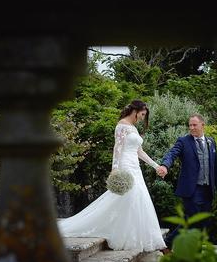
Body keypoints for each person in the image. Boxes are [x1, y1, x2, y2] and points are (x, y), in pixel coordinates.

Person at [58, 99, 168, 253]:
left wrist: (156, 166)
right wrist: (115, 169)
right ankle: (129, 236)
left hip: (135, 167)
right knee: (131, 197)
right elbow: (117, 148)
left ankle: (133, 235)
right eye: (142, 114)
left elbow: (139, 151)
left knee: (135, 199)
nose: (143, 118)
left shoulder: (133, 128)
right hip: (124, 166)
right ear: (135, 111)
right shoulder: (122, 125)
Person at [158, 113, 217, 248]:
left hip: (208, 189)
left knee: (204, 221)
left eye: (195, 125)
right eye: (190, 125)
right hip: (191, 189)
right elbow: (172, 153)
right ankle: (167, 243)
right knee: (191, 219)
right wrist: (165, 165)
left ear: (202, 125)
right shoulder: (183, 141)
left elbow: (215, 168)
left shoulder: (211, 142)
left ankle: (194, 248)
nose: (192, 128)